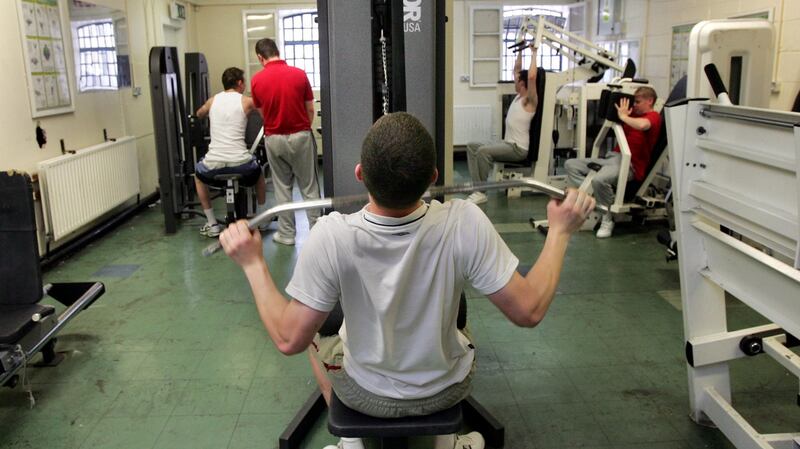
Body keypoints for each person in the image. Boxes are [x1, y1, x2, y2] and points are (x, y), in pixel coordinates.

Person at [220, 112, 595, 449]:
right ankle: (447, 443)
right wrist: (561, 231)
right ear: (433, 178)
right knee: (462, 319)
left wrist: (253, 263)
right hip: (448, 390)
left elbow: (289, 339)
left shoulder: (331, 235)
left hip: (363, 393)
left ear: (360, 174)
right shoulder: (464, 221)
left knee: (317, 337)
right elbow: (528, 310)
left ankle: (351, 444)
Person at [250, 38, 321, 246]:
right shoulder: (299, 74)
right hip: (301, 136)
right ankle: (317, 234)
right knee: (309, 186)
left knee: (282, 187)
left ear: (260, 57)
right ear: (278, 51)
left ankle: (287, 234)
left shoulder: (256, 80)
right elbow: (310, 109)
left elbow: (262, 113)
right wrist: (302, 129)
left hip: (274, 138)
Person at [564, 86, 661, 238]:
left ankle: (607, 218)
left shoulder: (653, 116)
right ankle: (597, 199)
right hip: (612, 158)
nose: (634, 105)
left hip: (630, 165)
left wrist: (624, 118)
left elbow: (643, 125)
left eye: (638, 102)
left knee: (599, 180)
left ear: (650, 101)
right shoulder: (632, 114)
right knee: (570, 165)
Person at [194, 67, 266, 238]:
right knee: (259, 173)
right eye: (244, 82)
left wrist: (207, 114)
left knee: (197, 176)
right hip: (241, 165)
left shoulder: (212, 101)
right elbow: (265, 111)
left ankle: (212, 224)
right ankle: (261, 219)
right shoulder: (246, 101)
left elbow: (199, 113)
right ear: (240, 83)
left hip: (213, 165)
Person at [465, 44, 539, 205]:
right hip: (506, 144)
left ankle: (481, 192)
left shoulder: (529, 101)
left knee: (483, 152)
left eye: (517, 80)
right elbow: (517, 69)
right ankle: (476, 185)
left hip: (518, 149)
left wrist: (534, 53)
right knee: (472, 146)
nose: (515, 80)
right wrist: (520, 50)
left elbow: (532, 77)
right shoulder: (518, 96)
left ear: (523, 84)